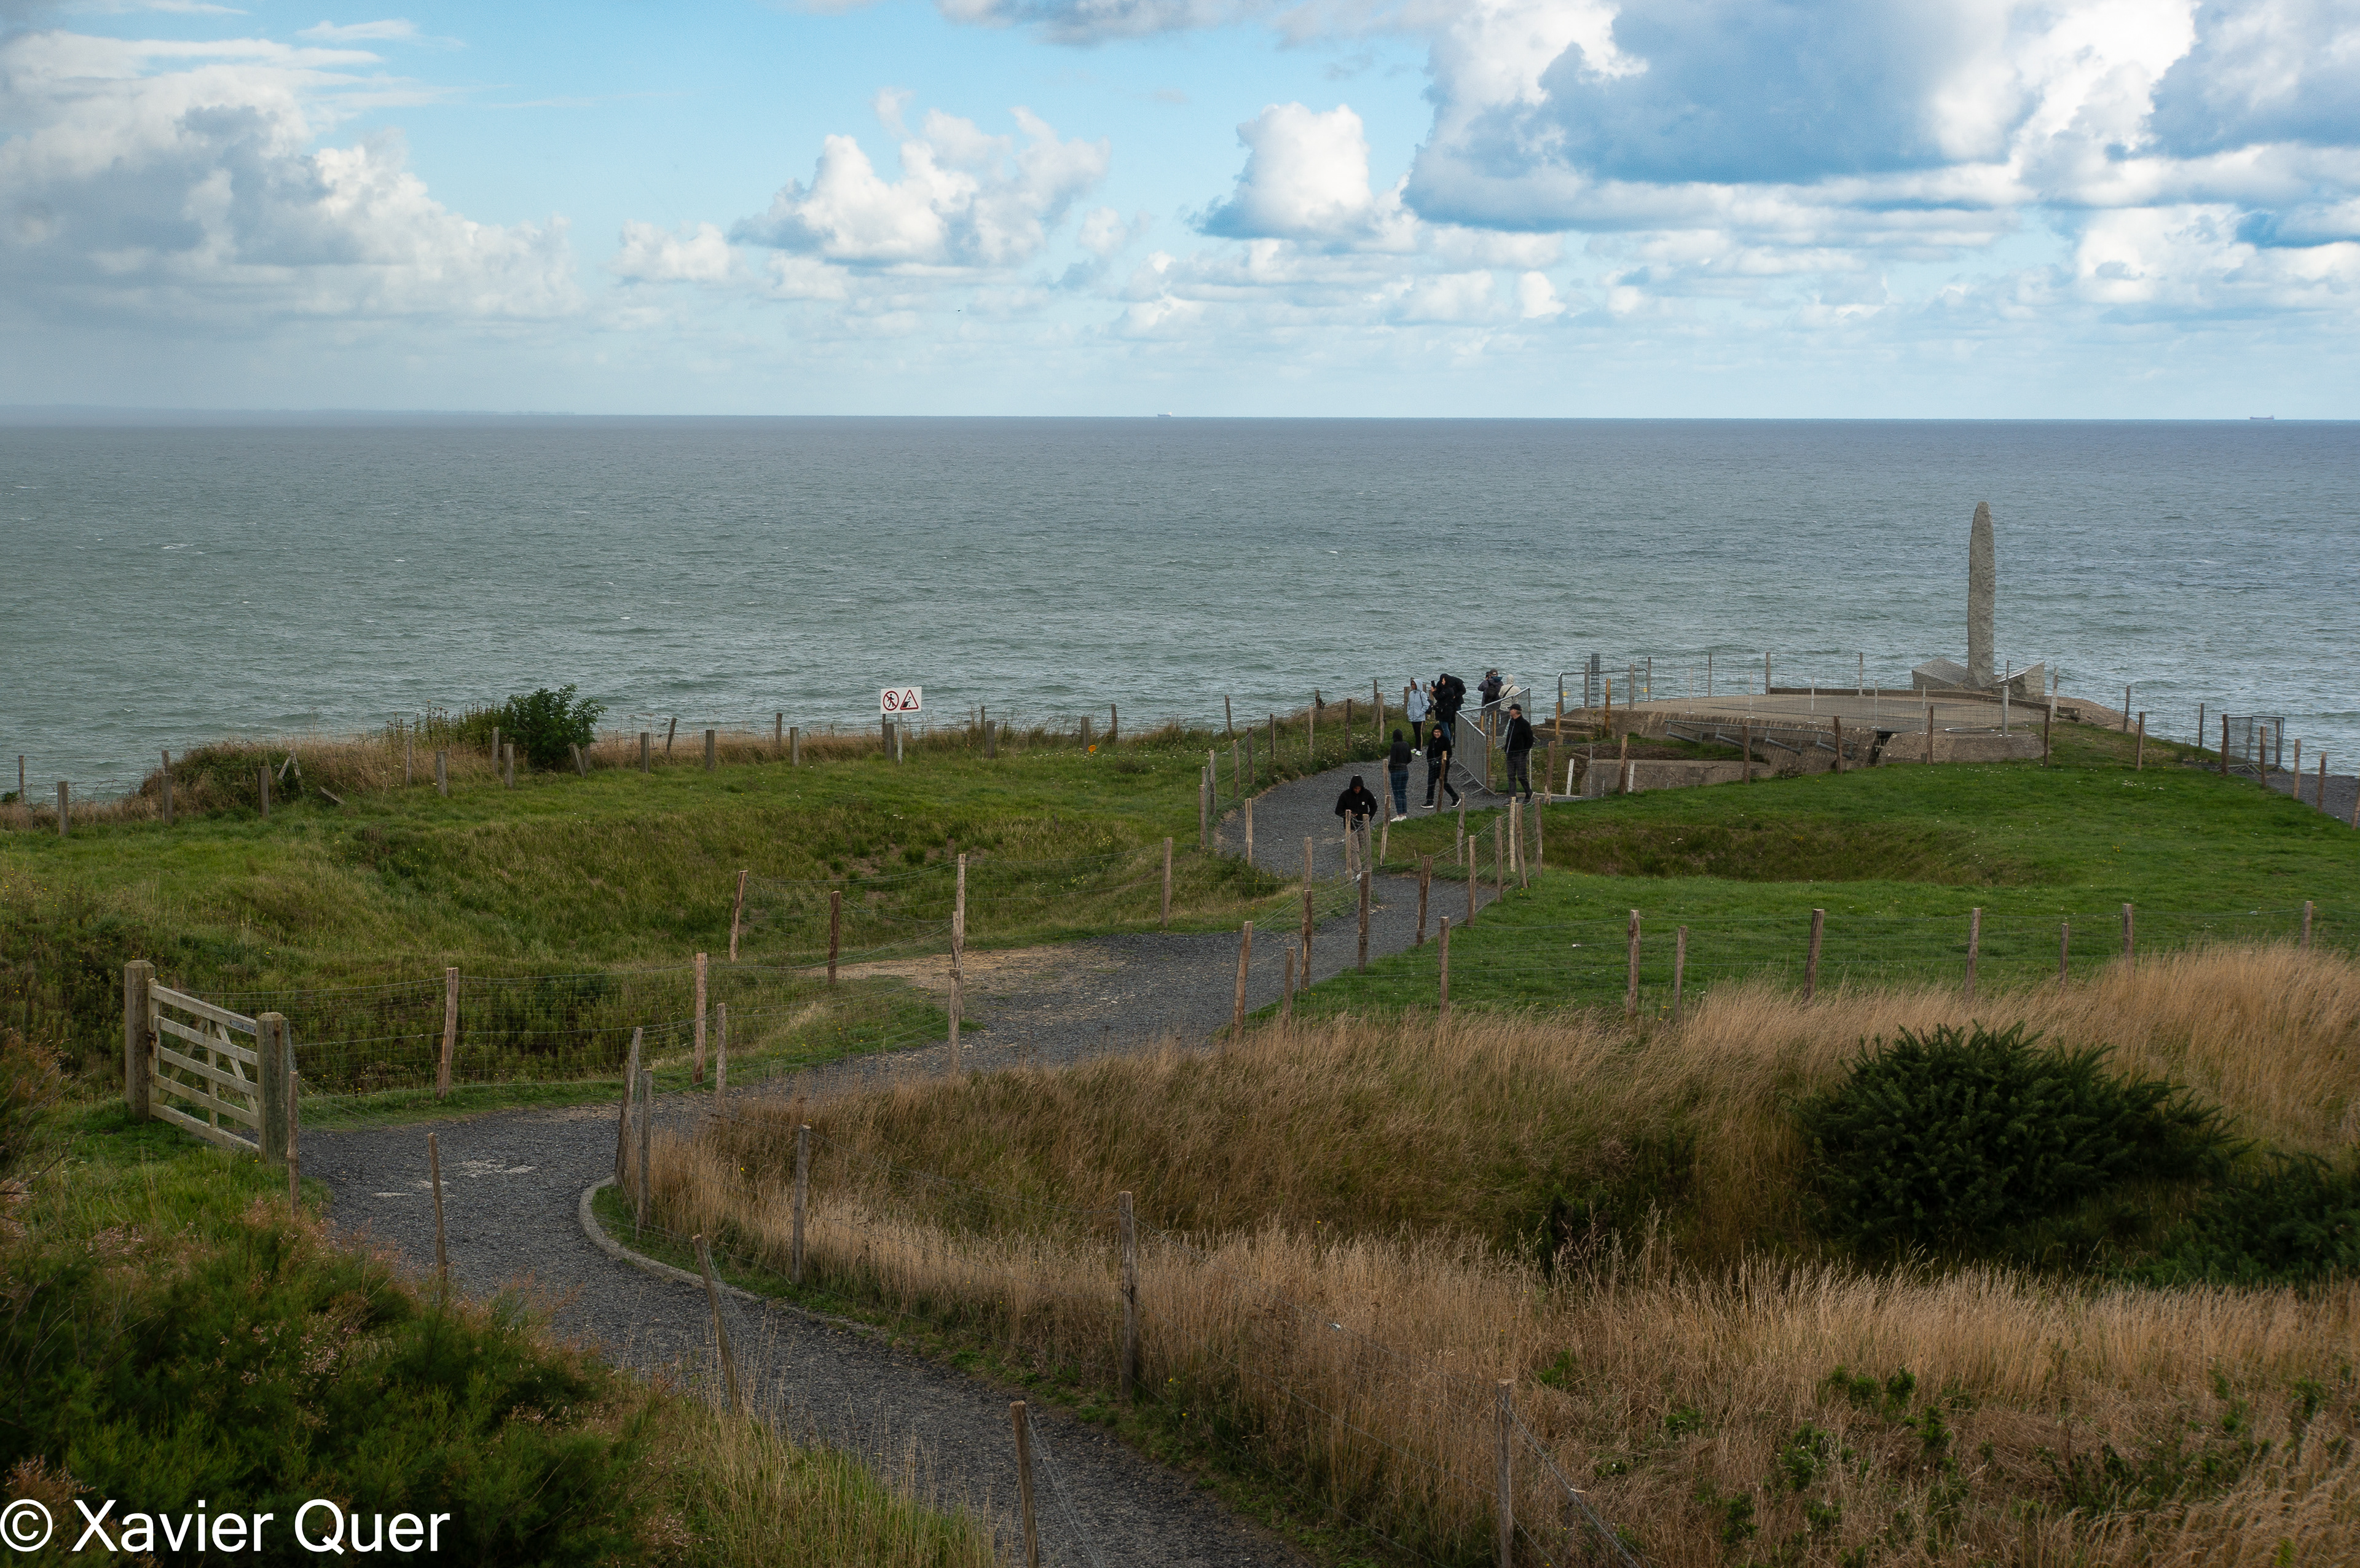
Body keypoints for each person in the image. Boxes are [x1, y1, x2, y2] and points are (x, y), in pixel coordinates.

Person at [1502, 702, 1535, 801]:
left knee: (1521, 776)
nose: (1509, 711)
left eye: (1511, 709)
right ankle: (1513, 797)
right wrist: (1506, 748)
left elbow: (1530, 739)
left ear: (1515, 711)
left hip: (1520, 754)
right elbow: (1509, 736)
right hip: (1510, 753)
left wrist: (1524, 752)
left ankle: (1528, 792)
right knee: (1511, 776)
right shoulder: (1511, 722)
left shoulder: (1524, 724)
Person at [1423, 721, 1459, 809]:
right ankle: (1430, 801)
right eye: (1435, 732)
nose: (1436, 734)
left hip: (1443, 765)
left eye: (1438, 732)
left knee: (1443, 783)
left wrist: (1442, 761)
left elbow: (1449, 753)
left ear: (1441, 733)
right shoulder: (1432, 741)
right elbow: (1429, 753)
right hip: (1432, 766)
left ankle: (1456, 798)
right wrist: (1430, 762)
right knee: (1431, 783)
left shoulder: (1445, 741)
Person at [1386, 728, 1412, 820]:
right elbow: (1410, 759)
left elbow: (1392, 760)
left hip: (1396, 771)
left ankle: (1399, 814)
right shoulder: (1406, 744)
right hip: (1405, 770)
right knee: (1403, 792)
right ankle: (1404, 814)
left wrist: (1390, 769)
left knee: (1397, 793)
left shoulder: (1395, 746)